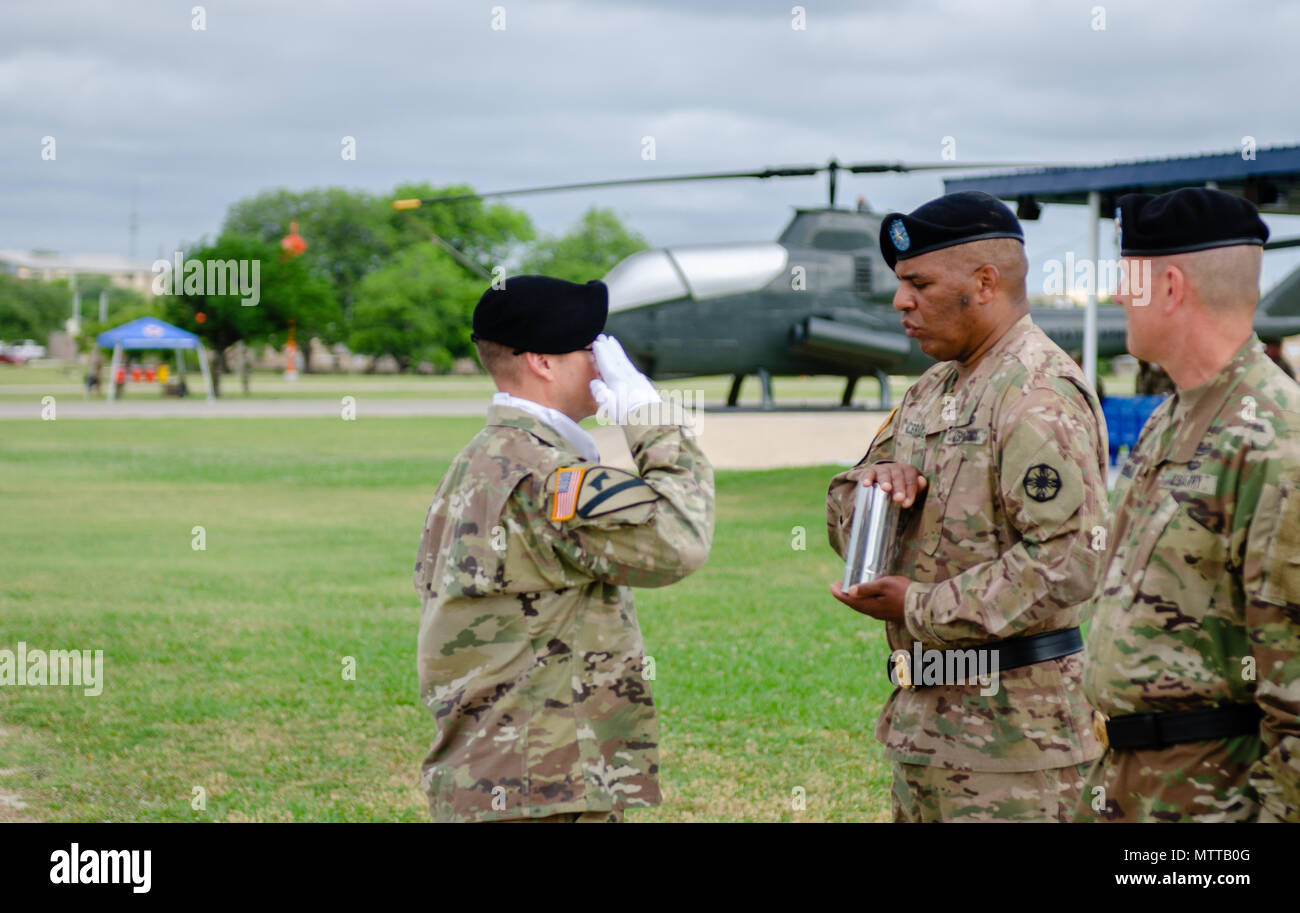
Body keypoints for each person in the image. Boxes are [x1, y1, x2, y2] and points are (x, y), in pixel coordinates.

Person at [826, 191, 1109, 821]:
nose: (901, 301)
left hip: (1018, 743)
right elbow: (845, 517)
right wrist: (876, 487)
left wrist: (919, 606)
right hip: (927, 729)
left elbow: (1070, 561)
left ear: (985, 282)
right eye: (902, 284)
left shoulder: (1035, 392)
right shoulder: (932, 390)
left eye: (919, 284)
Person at [414, 275, 715, 823]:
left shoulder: (480, 458)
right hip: (543, 786)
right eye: (592, 349)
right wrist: (649, 416)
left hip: (496, 775)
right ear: (542, 362)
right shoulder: (545, 475)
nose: (604, 366)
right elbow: (682, 539)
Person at [1078, 188, 1300, 822]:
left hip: (1213, 809)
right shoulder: (1171, 420)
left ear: (1171, 287)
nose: (1119, 297)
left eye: (1129, 281)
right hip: (1132, 788)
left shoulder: (1274, 443)